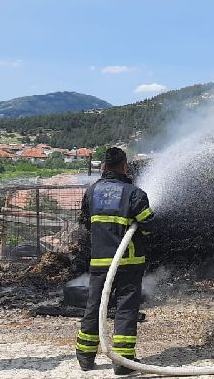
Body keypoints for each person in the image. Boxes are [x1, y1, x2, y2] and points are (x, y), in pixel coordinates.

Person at [75, 147, 154, 375]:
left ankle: (85, 358)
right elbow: (148, 225)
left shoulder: (92, 192)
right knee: (126, 308)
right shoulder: (134, 193)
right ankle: (122, 362)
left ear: (104, 167)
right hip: (128, 262)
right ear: (124, 166)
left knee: (95, 306)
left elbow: (87, 222)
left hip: (100, 260)